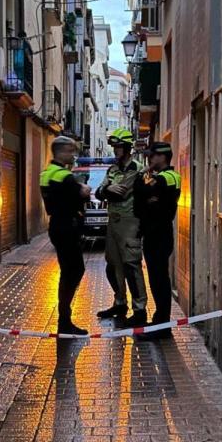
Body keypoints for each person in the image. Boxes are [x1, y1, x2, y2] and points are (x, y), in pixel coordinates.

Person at [94, 128, 148, 328]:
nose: (115, 150)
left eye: (118, 147)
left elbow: (122, 192)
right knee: (113, 266)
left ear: (127, 147)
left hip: (130, 222)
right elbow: (99, 192)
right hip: (113, 222)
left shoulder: (137, 169)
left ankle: (140, 310)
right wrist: (107, 188)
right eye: (114, 147)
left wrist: (108, 190)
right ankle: (120, 303)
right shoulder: (112, 169)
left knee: (131, 266)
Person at [40, 135, 92, 336]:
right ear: (60, 152)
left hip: (56, 225)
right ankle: (64, 320)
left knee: (68, 271)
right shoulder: (64, 176)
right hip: (67, 227)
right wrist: (83, 189)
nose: (73, 155)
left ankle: (64, 318)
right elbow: (82, 195)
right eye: (70, 151)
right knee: (75, 271)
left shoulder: (47, 173)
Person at [133, 142, 181, 340]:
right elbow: (141, 200)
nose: (149, 159)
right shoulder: (159, 178)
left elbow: (141, 190)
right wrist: (147, 198)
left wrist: (143, 178)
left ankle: (162, 326)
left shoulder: (168, 177)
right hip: (153, 233)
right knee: (156, 279)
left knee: (160, 281)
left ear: (162, 156)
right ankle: (160, 322)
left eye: (152, 155)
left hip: (159, 234)